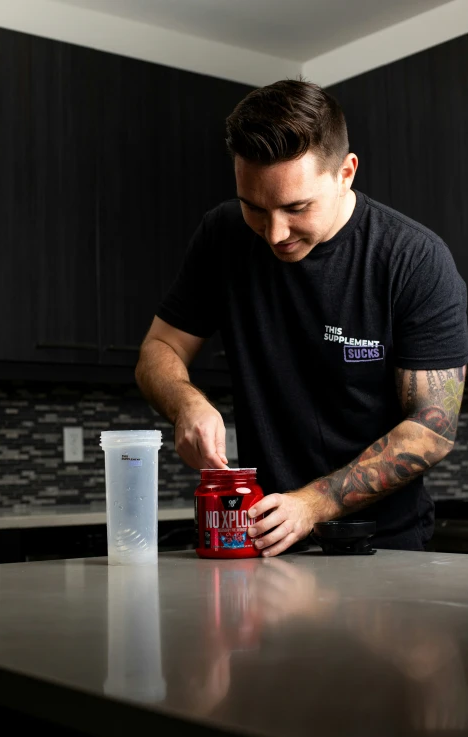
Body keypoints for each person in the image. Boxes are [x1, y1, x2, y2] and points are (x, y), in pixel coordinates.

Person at [135, 78, 468, 553]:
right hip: (261, 541)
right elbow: (159, 348)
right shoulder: (223, 237)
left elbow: (431, 428)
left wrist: (313, 504)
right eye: (255, 207)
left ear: (346, 173)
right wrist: (185, 402)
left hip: (381, 546)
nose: (274, 233)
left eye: (297, 208)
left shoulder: (413, 259)